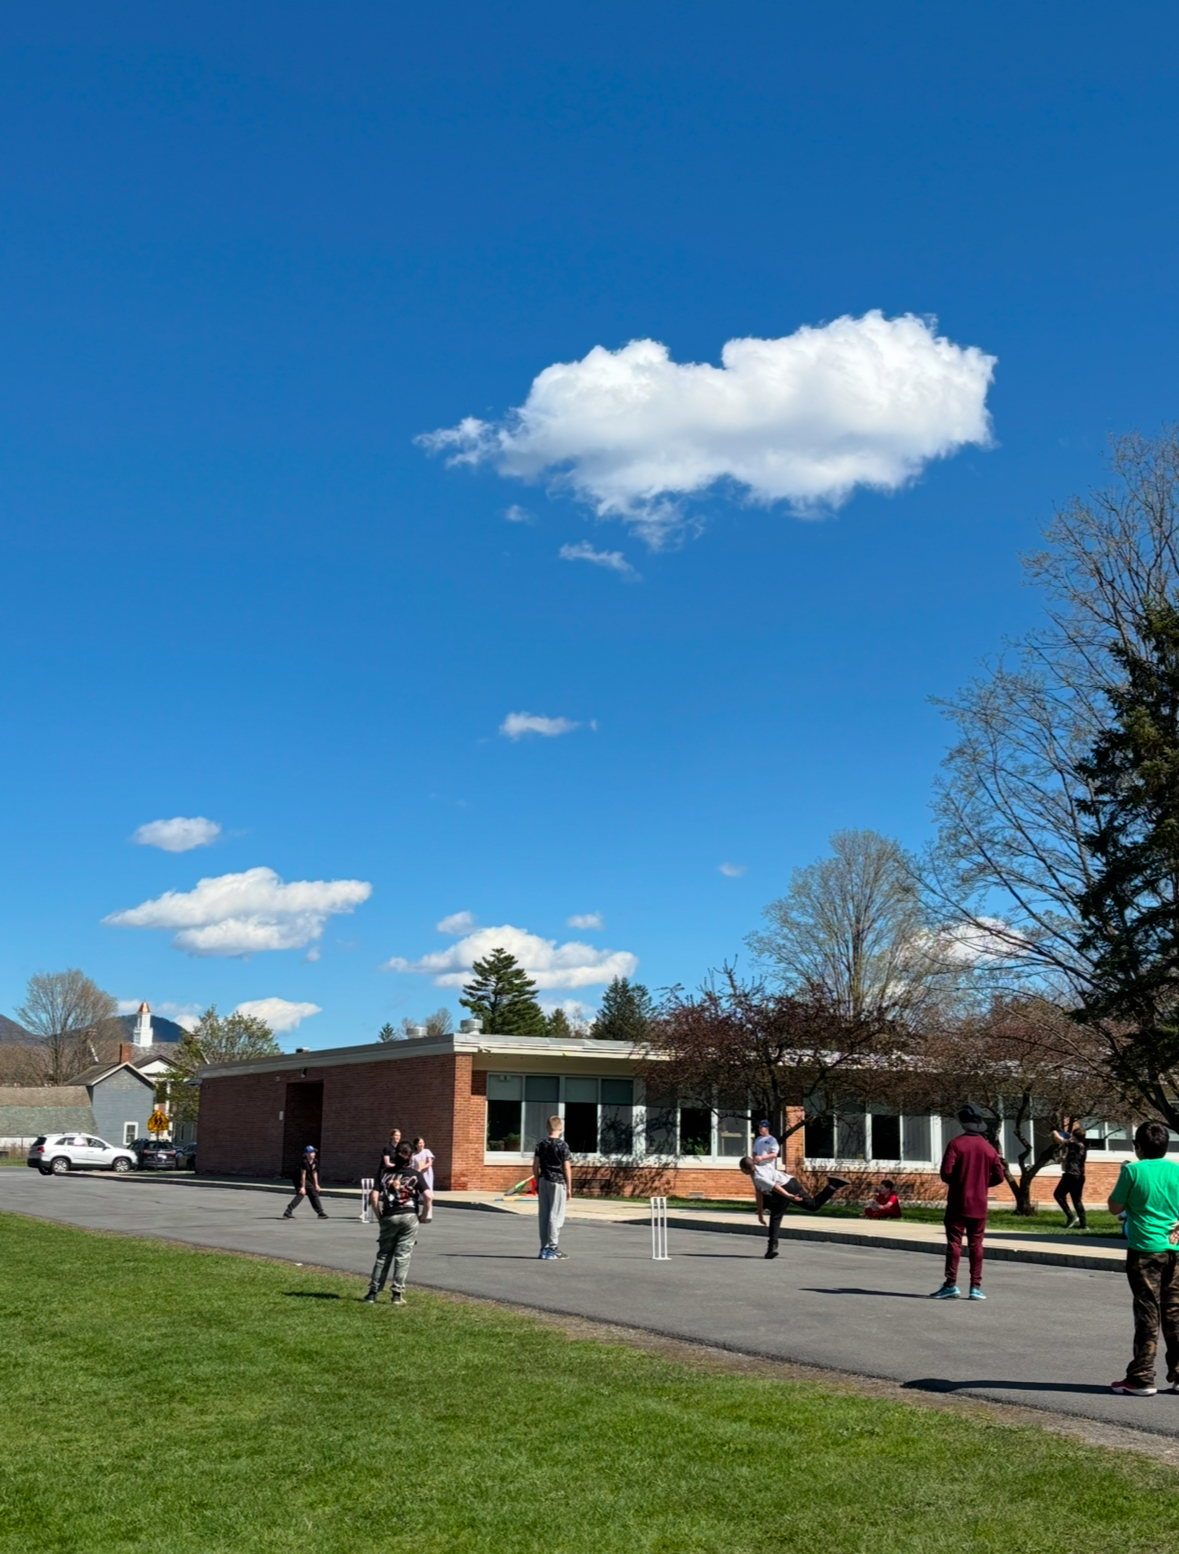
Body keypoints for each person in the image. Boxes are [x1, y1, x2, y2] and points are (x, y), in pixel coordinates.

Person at [1107, 1120, 1179, 1397]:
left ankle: (1141, 1377)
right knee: (1174, 1311)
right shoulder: (1176, 1170)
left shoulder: (1133, 1171)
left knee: (1148, 1311)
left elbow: (1115, 1207)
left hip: (1144, 1249)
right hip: (1174, 1248)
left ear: (1136, 1146)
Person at [929, 1104, 1004, 1301]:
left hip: (958, 1202)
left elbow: (946, 1173)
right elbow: (999, 1176)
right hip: (979, 1204)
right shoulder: (989, 1149)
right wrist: (982, 1182)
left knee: (954, 1243)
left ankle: (950, 1284)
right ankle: (975, 1287)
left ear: (963, 1124)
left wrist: (961, 1180)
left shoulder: (956, 1144)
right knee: (976, 1244)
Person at [738, 1156, 851, 1259]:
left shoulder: (758, 1177)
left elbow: (774, 1186)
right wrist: (760, 1213)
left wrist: (788, 1195)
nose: (742, 1171)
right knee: (812, 1205)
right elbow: (758, 1193)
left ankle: (772, 1248)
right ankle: (832, 1186)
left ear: (745, 1169)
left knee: (775, 1217)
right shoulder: (759, 1169)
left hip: (784, 1188)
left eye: (741, 1170)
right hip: (791, 1181)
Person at [363, 1140, 428, 1306]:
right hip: (409, 1215)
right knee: (403, 1255)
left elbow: (374, 1197)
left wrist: (379, 1216)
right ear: (411, 1157)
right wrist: (423, 1215)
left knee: (384, 1254)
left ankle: (372, 1293)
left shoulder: (384, 1173)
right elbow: (429, 1196)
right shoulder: (415, 1174)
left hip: (389, 1214)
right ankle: (397, 1295)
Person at [532, 1114, 572, 1261]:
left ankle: (544, 1247)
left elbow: (535, 1165)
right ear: (560, 1128)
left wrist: (537, 1181)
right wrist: (569, 1187)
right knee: (556, 1215)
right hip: (558, 1181)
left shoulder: (540, 1144)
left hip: (543, 1180)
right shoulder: (562, 1145)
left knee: (544, 1214)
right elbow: (566, 1167)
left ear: (547, 1128)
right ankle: (552, 1248)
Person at [1051, 1122, 1088, 1229]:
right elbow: (1074, 1158)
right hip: (1079, 1176)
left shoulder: (1074, 1144)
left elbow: (1059, 1139)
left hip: (1071, 1175)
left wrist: (1053, 1130)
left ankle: (1071, 1217)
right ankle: (1083, 1224)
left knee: (1058, 1195)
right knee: (1076, 1199)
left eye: (1072, 1135)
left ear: (1075, 1137)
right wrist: (1064, 1158)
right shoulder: (1082, 1146)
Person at [283, 1144, 329, 1220]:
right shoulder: (304, 1162)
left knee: (313, 1193)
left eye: (314, 1152)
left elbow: (314, 1172)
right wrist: (302, 1187)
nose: (313, 1154)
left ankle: (320, 1213)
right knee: (301, 1194)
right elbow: (303, 1175)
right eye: (311, 1152)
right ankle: (288, 1212)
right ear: (306, 1154)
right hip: (298, 1178)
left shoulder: (315, 1161)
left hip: (307, 1178)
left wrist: (316, 1184)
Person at [411, 1135, 435, 1222]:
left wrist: (421, 1168)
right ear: (416, 1145)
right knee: (418, 1194)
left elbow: (430, 1163)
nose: (421, 1144)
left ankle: (428, 1215)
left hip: (427, 1175)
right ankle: (417, 1213)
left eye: (422, 1143)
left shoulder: (427, 1152)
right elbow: (412, 1166)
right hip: (418, 1175)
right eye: (420, 1143)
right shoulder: (413, 1155)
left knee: (428, 1194)